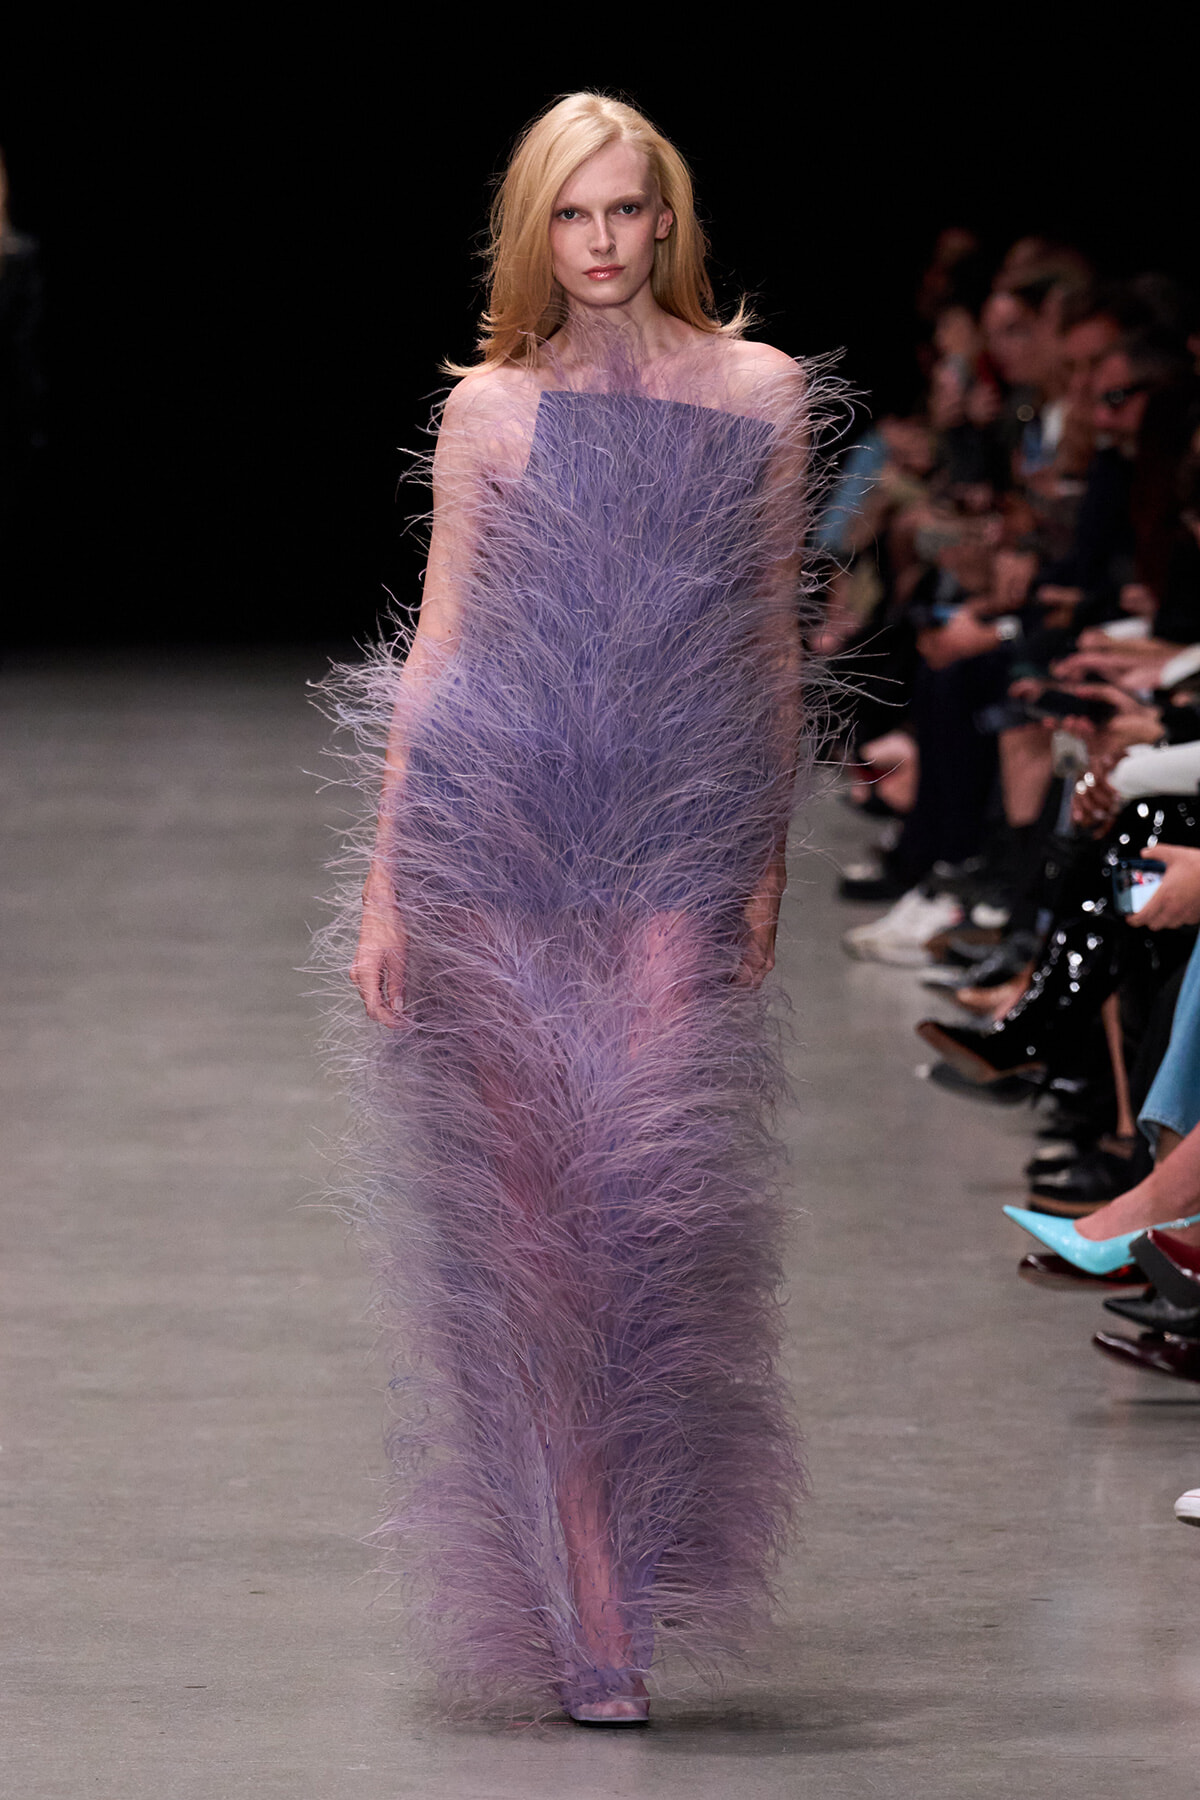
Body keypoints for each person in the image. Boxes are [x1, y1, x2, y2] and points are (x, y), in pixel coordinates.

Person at [321, 93, 832, 1725]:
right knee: (537, 1243)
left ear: (669, 220)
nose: (603, 243)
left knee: (652, 1222)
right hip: (502, 834)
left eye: (627, 212)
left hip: (674, 838)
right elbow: (443, 652)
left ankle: (622, 1570)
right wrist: (393, 885)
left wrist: (759, 866)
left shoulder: (763, 398)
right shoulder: (489, 409)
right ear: (534, 233)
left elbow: (772, 649)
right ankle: (593, 1601)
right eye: (573, 216)